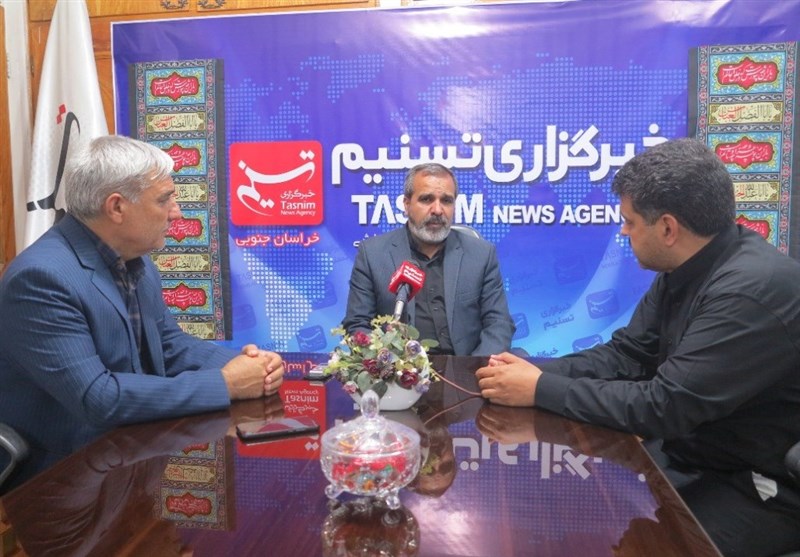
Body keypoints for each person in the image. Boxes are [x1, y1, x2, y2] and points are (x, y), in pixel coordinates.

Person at [475, 138, 800, 557]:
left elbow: (664, 406)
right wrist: (535, 373)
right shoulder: (685, 268)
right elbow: (627, 355)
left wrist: (539, 389)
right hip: (694, 456)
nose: (623, 232)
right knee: (578, 509)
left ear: (667, 228)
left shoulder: (749, 291)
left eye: (629, 222)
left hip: (757, 487)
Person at [0, 135, 284, 492]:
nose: (177, 212)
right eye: (164, 199)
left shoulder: (135, 259)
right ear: (117, 207)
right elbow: (98, 397)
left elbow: (168, 343)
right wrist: (228, 384)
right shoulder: (41, 279)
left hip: (130, 461)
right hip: (62, 482)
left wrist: (251, 366)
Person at [343, 163, 515, 355]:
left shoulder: (481, 254)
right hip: (398, 369)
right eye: (426, 199)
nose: (437, 210)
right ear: (406, 204)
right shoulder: (372, 254)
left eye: (446, 201)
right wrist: (386, 364)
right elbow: (357, 324)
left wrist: (476, 368)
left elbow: (499, 324)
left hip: (466, 366)